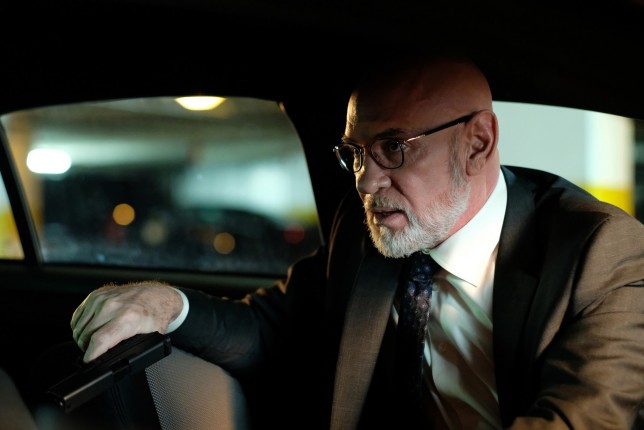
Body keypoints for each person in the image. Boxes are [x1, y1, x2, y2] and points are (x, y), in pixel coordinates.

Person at [69, 55, 644, 429]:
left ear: (477, 143)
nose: (366, 182)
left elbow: (579, 421)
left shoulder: (601, 251)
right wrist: (166, 305)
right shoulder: (369, 234)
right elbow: (271, 329)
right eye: (355, 154)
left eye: (394, 148)